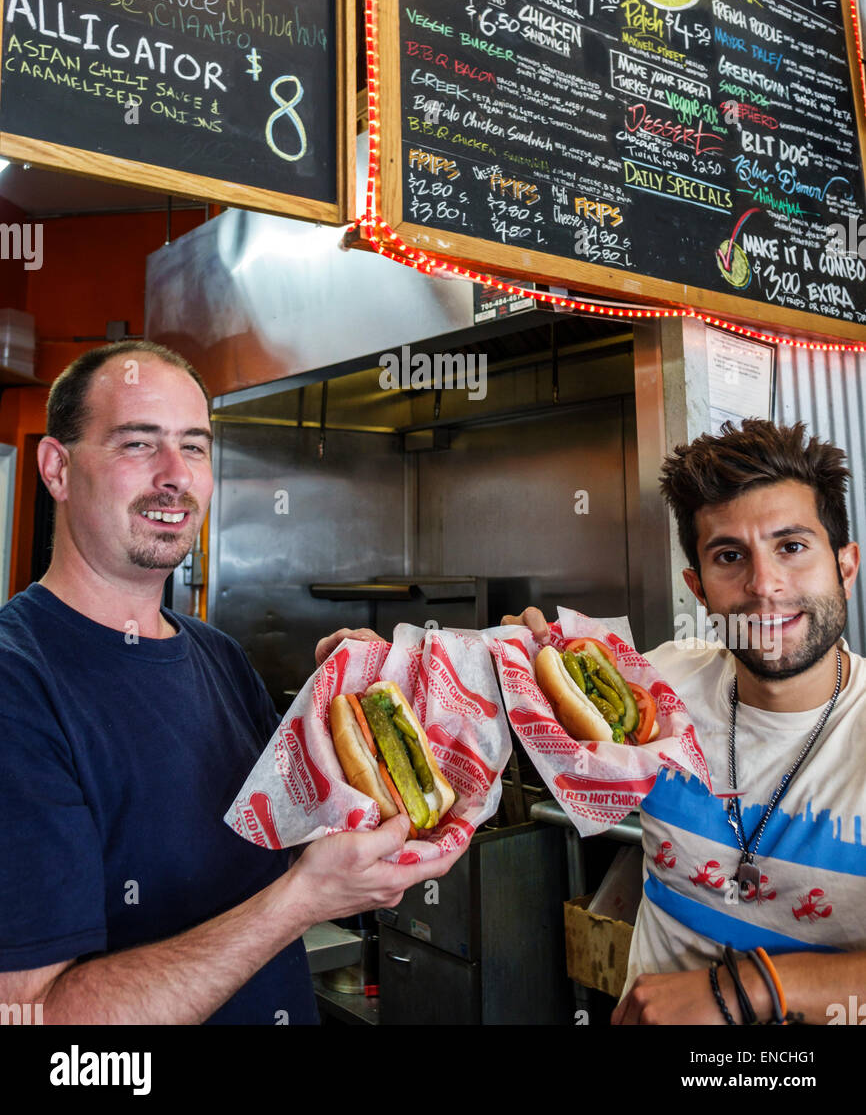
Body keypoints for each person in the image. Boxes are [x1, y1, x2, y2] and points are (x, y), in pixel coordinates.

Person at [0, 342, 462, 1025]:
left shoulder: (218, 656)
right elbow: (34, 1014)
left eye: (194, 447)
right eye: (137, 444)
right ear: (57, 468)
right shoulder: (19, 683)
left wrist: (345, 702)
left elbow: (297, 843)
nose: (174, 477)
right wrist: (303, 901)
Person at [506, 418, 866, 1025]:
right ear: (698, 588)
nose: (764, 586)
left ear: (846, 567)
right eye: (731, 556)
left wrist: (742, 991)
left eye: (792, 546)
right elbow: (550, 751)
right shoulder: (660, 686)